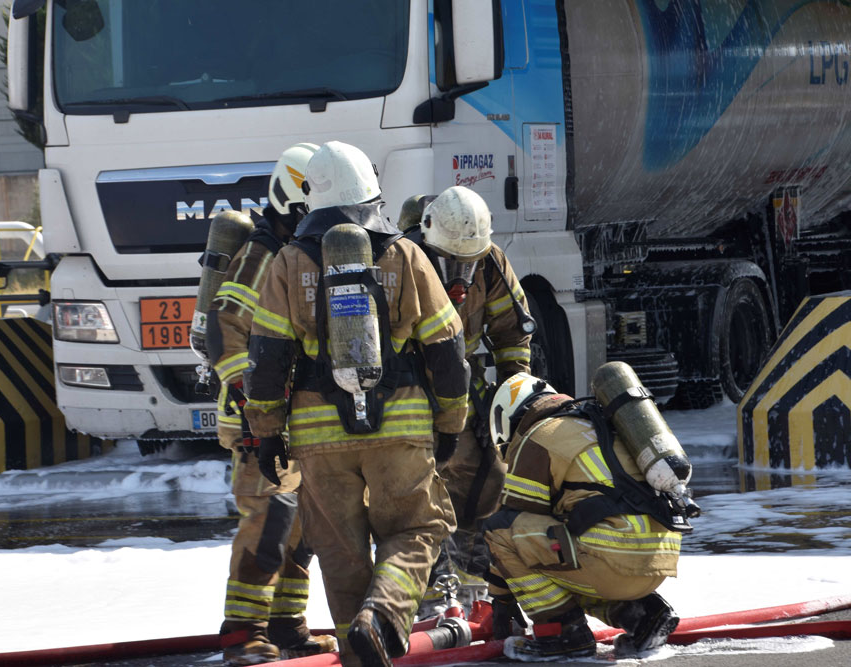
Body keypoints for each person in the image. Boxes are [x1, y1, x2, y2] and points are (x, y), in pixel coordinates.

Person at [242, 141, 470, 667]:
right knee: (415, 527)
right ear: (371, 190)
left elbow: (267, 359)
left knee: (340, 552)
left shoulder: (288, 262)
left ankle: (356, 650)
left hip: (319, 436)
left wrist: (268, 431)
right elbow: (446, 348)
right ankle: (382, 616)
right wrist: (451, 421)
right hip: (402, 424)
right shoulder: (406, 255)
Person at [206, 142, 338, 665]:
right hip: (258, 422)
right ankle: (242, 631)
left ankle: (285, 625)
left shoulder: (303, 253)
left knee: (299, 526)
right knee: (268, 522)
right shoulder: (261, 256)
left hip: (296, 418)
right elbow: (224, 328)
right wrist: (253, 402)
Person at [481, 372, 683, 661]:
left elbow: (510, 525)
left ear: (509, 418)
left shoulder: (539, 437)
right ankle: (643, 614)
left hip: (612, 558)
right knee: (560, 558)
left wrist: (501, 597)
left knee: (500, 531)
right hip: (659, 561)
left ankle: (564, 634)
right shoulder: (602, 424)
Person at [403, 186, 533, 613]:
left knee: (489, 473)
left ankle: (476, 580)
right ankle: (426, 591)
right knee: (416, 484)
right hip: (409, 383)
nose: (461, 273)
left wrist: (510, 395)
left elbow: (511, 333)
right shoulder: (402, 259)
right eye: (451, 261)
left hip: (463, 379)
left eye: (469, 262)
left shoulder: (491, 262)